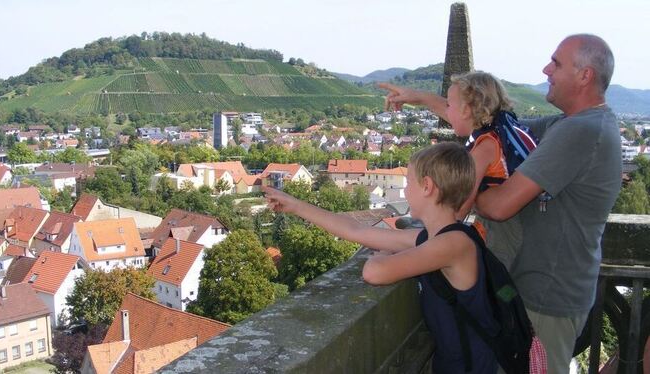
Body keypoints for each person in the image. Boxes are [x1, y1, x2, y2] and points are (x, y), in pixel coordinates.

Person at [263, 142, 499, 373]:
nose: (405, 190)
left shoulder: (453, 244)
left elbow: (374, 272)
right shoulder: (436, 236)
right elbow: (356, 231)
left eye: (408, 182)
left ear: (427, 186)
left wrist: (384, 253)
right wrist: (295, 206)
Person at [472, 34, 621, 373]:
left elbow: (499, 207)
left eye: (556, 63)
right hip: (548, 293)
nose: (545, 69)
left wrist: (468, 191)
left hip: (547, 299)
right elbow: (499, 129)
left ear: (584, 75)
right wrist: (423, 100)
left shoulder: (582, 131)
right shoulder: (568, 124)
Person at [379, 71, 522, 268]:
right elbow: (454, 114)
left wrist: (430, 237)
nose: (446, 111)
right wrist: (418, 97)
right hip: (512, 232)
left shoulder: (484, 148)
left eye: (449, 104)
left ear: (465, 111)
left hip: (501, 238)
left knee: (491, 284)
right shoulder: (498, 129)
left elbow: (459, 206)